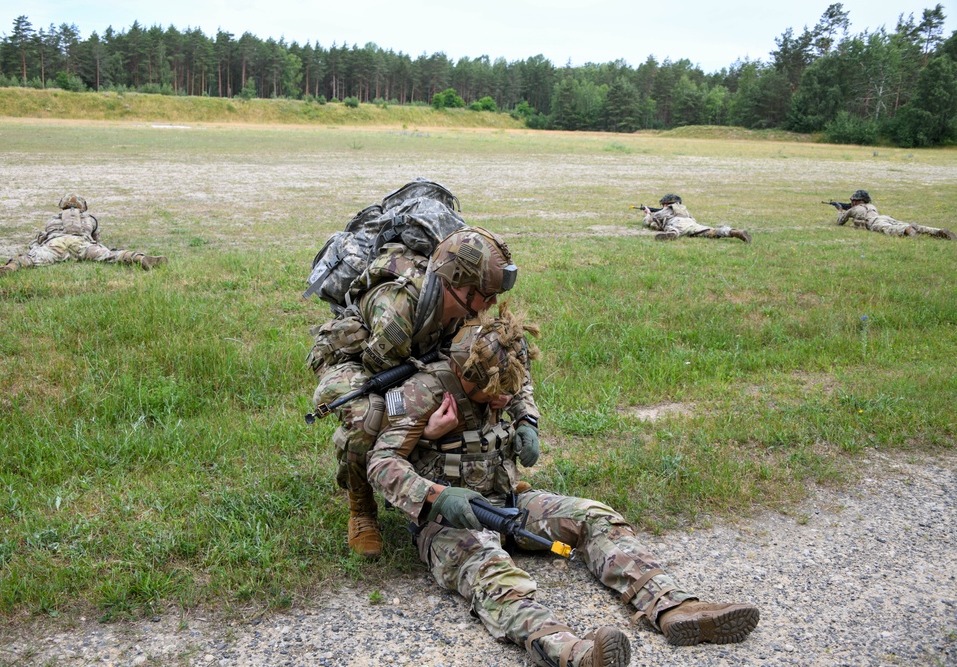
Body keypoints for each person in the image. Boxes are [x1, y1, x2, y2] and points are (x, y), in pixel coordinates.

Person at [366, 306, 760, 667]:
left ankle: (673, 606)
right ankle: (570, 652)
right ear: (469, 377)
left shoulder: (503, 362)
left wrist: (526, 422)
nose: (505, 397)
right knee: (490, 569)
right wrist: (437, 496)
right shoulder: (422, 391)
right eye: (497, 393)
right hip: (447, 521)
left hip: (509, 501)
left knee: (594, 517)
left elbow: (521, 387)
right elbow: (380, 463)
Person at [307, 227, 540, 558]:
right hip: (358, 363)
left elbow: (502, 360)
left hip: (415, 359)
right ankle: (362, 508)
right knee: (368, 417)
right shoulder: (398, 310)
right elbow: (396, 393)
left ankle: (486, 479)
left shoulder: (467, 303)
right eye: (486, 294)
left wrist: (525, 416)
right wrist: (421, 431)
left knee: (477, 383)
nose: (492, 303)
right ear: (457, 282)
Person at [0, 194, 168, 277]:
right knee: (110, 255)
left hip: (56, 243)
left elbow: (42, 237)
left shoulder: (53, 219)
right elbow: (97, 240)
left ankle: (10, 268)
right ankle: (139, 258)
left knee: (32, 258)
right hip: (81, 243)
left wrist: (35, 246)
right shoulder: (90, 219)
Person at [834, 189, 955, 239]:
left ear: (856, 201)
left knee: (891, 229)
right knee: (904, 224)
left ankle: (907, 230)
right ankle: (936, 231)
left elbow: (840, 222)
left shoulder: (853, 209)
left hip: (873, 222)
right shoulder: (871, 206)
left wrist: (840, 210)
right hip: (884, 217)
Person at [643, 194, 751, 243]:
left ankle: (673, 234)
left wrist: (648, 214)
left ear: (666, 204)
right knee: (711, 231)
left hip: (676, 223)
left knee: (673, 228)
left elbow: (648, 221)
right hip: (691, 223)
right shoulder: (684, 209)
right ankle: (732, 232)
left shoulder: (666, 210)